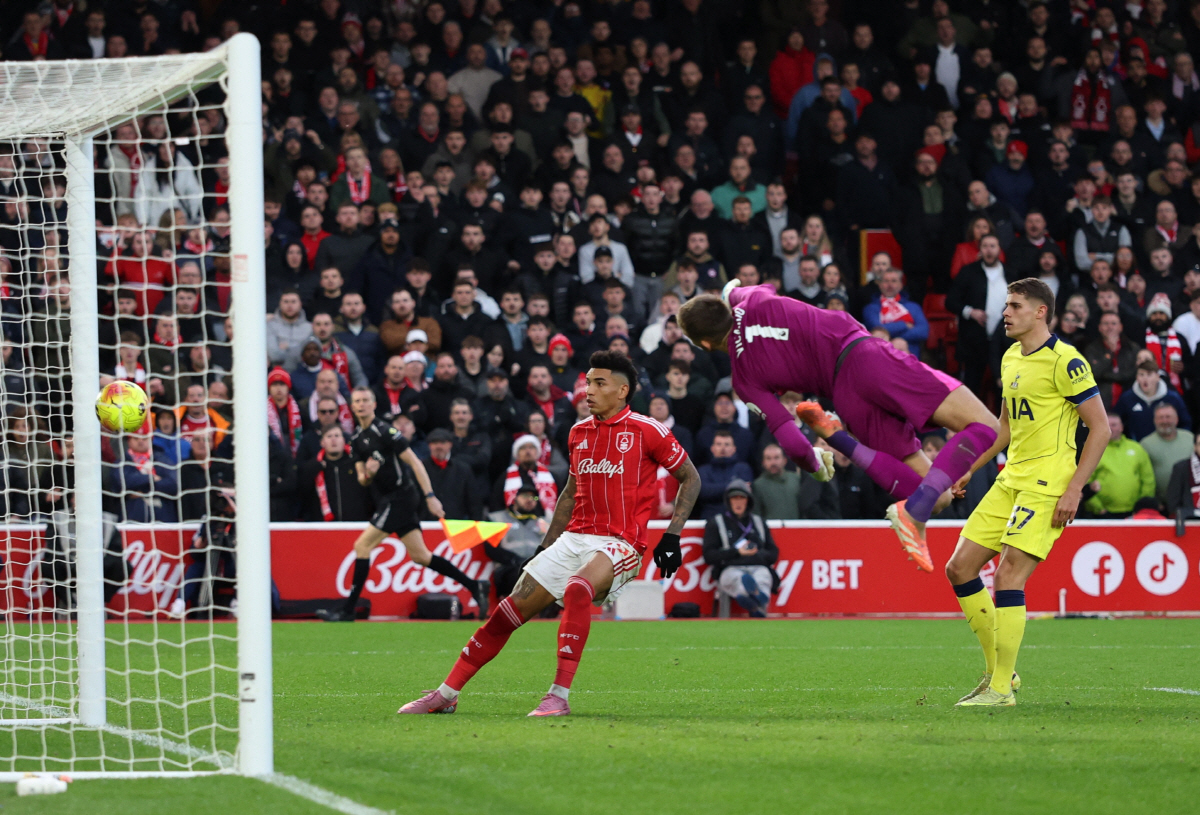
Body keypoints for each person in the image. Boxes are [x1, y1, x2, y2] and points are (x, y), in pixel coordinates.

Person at [398, 351, 700, 717]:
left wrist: (672, 535)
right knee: (506, 613)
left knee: (577, 588)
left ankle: (558, 696)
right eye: (587, 381)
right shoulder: (577, 433)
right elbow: (570, 494)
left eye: (598, 383)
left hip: (620, 543)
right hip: (574, 538)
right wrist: (544, 547)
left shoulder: (647, 430)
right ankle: (447, 693)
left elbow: (690, 477)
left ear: (622, 391)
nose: (588, 389)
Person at [678, 282, 998, 572]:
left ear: (705, 345)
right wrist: (729, 293)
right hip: (865, 357)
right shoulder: (752, 298)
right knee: (986, 426)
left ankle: (841, 441)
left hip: (846, 398)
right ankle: (914, 514)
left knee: (937, 495)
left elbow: (792, 443)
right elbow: (747, 289)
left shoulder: (744, 380)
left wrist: (816, 465)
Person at [945, 278, 1109, 707]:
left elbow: (1101, 428)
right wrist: (970, 467)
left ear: (1040, 312)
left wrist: (1074, 488)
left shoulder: (1066, 362)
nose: (1005, 312)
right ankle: (1001, 672)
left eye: (1015, 305)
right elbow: (1004, 427)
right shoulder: (1011, 357)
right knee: (959, 568)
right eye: (1005, 305)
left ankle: (1000, 690)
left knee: (1007, 575)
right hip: (1010, 478)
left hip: (1047, 483)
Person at [316, 387, 488, 622]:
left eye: (366, 400)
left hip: (402, 496)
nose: (361, 405)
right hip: (390, 499)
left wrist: (430, 496)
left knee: (362, 546)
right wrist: (369, 472)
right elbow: (362, 480)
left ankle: (347, 611)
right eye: (357, 401)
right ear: (352, 406)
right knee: (421, 556)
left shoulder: (386, 431)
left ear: (374, 404)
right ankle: (475, 585)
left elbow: (415, 463)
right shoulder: (356, 440)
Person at [702, 479, 778, 617]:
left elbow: (773, 553)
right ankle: (756, 603)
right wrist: (736, 552)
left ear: (748, 500)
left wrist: (756, 554)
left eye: (742, 498)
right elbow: (709, 555)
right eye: (734, 498)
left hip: (757, 566)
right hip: (730, 568)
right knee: (738, 579)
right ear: (728, 501)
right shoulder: (716, 523)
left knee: (763, 577)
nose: (738, 502)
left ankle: (754, 600)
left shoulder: (759, 522)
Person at [484, 477, 547, 598]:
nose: (530, 500)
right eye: (525, 496)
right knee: (520, 574)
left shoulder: (543, 523)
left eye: (534, 497)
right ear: (515, 498)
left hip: (536, 570)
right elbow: (490, 549)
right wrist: (513, 559)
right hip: (509, 569)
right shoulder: (498, 519)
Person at [1083, 414, 1155, 518]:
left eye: (1114, 425)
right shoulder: (1093, 449)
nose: (1110, 428)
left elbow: (1148, 479)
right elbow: (1085, 480)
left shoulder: (1137, 448)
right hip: (1102, 514)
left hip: (1134, 512)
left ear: (1122, 427)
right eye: (1107, 425)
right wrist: (1099, 509)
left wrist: (1142, 507)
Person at [298, 424, 373, 522]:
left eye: (337, 436)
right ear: (322, 442)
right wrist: (315, 468)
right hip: (323, 527)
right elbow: (302, 493)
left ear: (343, 440)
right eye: (329, 436)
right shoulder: (312, 467)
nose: (333, 440)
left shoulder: (356, 463)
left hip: (355, 523)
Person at [1139, 403, 1194, 506]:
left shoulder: (1190, 438)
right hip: (1160, 504)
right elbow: (1143, 475)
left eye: (1168, 417)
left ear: (1176, 419)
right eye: (1160, 418)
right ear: (1155, 420)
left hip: (1189, 501)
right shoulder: (1145, 443)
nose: (1165, 421)